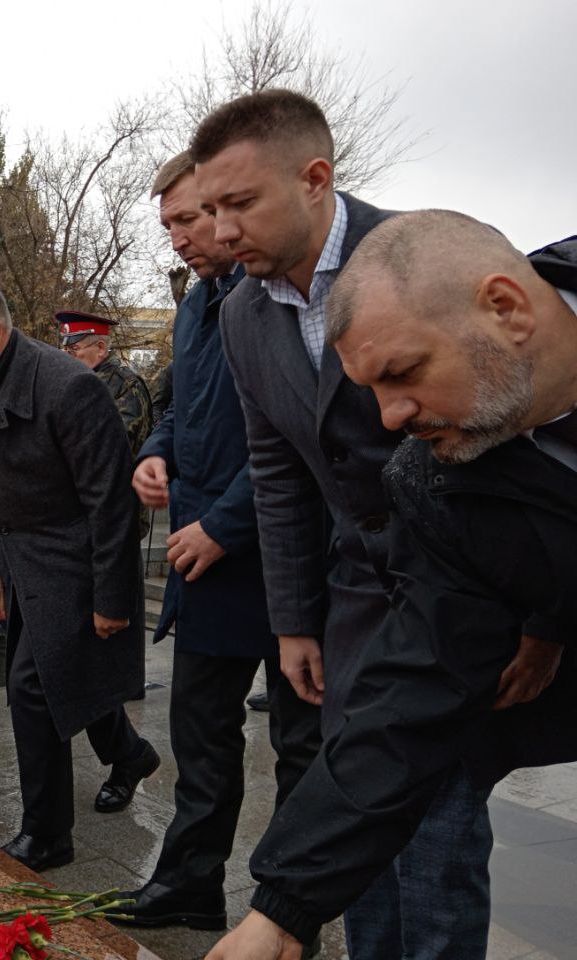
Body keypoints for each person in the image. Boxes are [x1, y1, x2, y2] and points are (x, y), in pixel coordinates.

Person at [207, 216, 577, 958]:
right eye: (370, 389)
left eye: (403, 373)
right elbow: (414, 690)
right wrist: (282, 910)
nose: (390, 418)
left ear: (506, 308)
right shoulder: (440, 480)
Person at [192, 89, 504, 957]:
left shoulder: (423, 258)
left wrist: (543, 621)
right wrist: (294, 617)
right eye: (210, 208)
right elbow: (278, 470)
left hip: (464, 594)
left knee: (436, 834)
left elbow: (511, 446)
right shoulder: (242, 313)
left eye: (239, 204)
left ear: (316, 179)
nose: (219, 232)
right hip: (354, 601)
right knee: (357, 828)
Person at [116, 151, 320, 933]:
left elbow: (290, 434)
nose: (177, 238)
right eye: (167, 223)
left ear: (228, 209)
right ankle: (191, 885)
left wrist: (226, 526)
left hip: (282, 559)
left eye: (187, 219)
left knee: (300, 742)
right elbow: (182, 406)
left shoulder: (277, 295)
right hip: (205, 560)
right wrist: (154, 453)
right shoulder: (199, 305)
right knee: (200, 732)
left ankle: (289, 907)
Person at [0, 273, 158, 871]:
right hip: (17, 559)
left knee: (31, 690)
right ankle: (130, 754)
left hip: (74, 561)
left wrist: (114, 597)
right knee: (58, 680)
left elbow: (112, 502)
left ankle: (48, 834)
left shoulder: (69, 388)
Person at [56, 311, 153, 454]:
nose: (68, 358)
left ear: (100, 348)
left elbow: (119, 445)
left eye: (73, 350)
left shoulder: (127, 385)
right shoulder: (75, 380)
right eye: (66, 351)